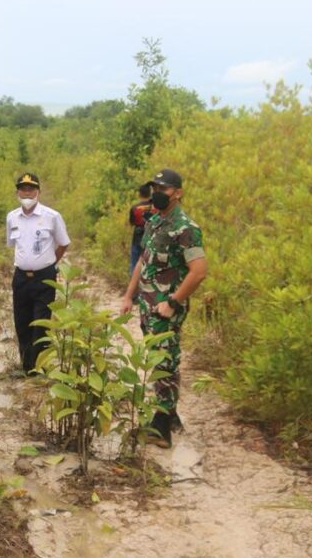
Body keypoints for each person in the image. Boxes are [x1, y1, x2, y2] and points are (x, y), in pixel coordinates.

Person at [120, 169, 208, 448]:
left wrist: (172, 303)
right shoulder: (155, 221)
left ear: (178, 193)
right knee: (161, 358)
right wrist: (129, 296)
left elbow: (199, 272)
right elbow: (143, 261)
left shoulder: (186, 228)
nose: (157, 193)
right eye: (155, 188)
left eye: (163, 189)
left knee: (164, 362)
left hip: (165, 308)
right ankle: (170, 416)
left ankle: (160, 430)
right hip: (148, 305)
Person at [6, 172, 70, 374]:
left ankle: (39, 368)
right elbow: (12, 244)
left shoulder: (52, 216)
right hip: (21, 277)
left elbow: (63, 244)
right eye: (23, 189)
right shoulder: (12, 217)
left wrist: (49, 263)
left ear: (38, 192)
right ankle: (27, 367)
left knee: (41, 323)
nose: (27, 193)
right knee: (22, 322)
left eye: (31, 189)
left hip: (44, 277)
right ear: (17, 193)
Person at [127, 182, 155, 277]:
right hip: (152, 237)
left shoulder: (135, 208)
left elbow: (132, 223)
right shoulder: (156, 207)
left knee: (135, 263)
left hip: (138, 237)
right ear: (150, 193)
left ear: (139, 194)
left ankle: (134, 283)